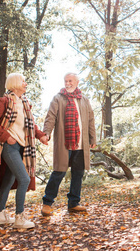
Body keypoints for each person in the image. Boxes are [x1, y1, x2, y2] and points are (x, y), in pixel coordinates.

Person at [0, 73, 48, 229]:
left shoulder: (25, 103)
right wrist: (5, 136)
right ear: (15, 83)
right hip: (9, 146)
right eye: (23, 81)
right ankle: (19, 218)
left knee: (8, 181)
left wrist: (41, 136)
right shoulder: (4, 101)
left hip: (22, 147)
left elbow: (30, 126)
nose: (26, 84)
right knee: (24, 179)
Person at [41, 72, 96, 215]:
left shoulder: (84, 100)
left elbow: (90, 120)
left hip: (81, 143)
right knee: (59, 171)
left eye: (70, 81)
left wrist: (92, 138)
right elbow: (50, 117)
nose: (67, 83)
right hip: (64, 142)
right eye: (65, 81)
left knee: (78, 173)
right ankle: (47, 203)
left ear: (77, 82)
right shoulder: (58, 98)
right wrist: (46, 133)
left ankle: (73, 203)